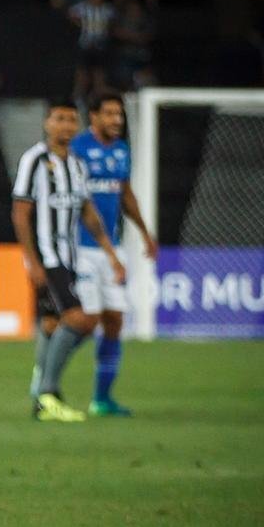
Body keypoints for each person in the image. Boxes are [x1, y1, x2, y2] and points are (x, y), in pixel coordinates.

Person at [11, 97, 124, 423]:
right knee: (81, 319)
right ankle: (48, 392)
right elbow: (20, 214)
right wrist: (32, 262)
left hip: (70, 257)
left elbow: (86, 211)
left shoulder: (75, 164)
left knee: (50, 324)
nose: (66, 125)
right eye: (59, 119)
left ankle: (41, 397)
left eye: (71, 120)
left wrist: (110, 251)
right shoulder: (34, 160)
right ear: (47, 123)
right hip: (48, 257)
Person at [70, 91, 157, 416]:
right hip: (79, 246)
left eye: (119, 114)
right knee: (86, 320)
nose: (117, 120)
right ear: (93, 117)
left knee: (114, 321)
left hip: (112, 248)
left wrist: (145, 232)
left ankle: (101, 400)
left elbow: (125, 194)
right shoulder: (77, 150)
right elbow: (80, 202)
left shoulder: (121, 151)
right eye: (109, 114)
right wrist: (108, 250)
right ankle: (46, 372)